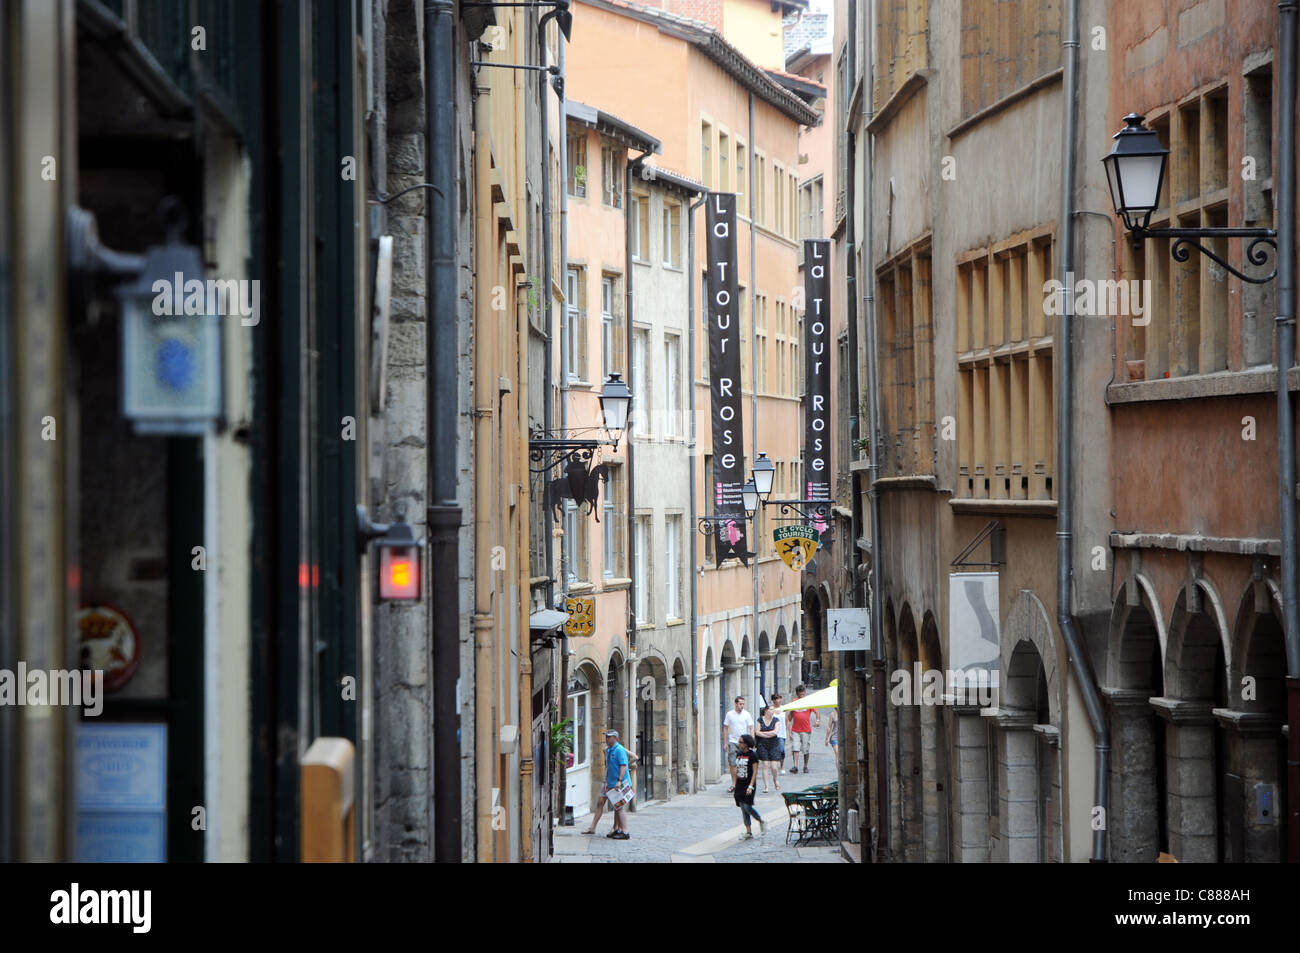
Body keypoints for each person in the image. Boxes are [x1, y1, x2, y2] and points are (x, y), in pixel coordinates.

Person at [582, 729, 631, 839]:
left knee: (619, 807)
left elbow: (623, 766)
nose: (606, 739)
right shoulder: (608, 750)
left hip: (620, 783)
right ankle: (618, 829)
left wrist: (619, 780)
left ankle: (624, 831)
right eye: (606, 737)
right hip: (611, 783)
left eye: (609, 737)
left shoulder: (619, 750)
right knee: (616, 806)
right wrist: (606, 781)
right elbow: (608, 767)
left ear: (615, 738)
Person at [733, 734, 766, 839]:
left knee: (747, 806)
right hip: (739, 784)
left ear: (746, 744)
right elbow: (736, 769)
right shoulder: (738, 754)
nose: (739, 744)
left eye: (741, 742)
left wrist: (751, 786)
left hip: (748, 784)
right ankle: (748, 831)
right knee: (743, 808)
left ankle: (760, 821)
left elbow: (755, 771)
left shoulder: (753, 755)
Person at [722, 696, 755, 793]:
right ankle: (734, 784)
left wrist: (752, 740)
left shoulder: (746, 714)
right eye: (740, 704)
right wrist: (725, 742)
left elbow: (751, 727)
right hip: (733, 741)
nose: (742, 706)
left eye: (743, 704)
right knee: (732, 763)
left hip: (743, 743)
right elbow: (725, 728)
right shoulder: (729, 714)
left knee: (743, 764)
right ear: (736, 704)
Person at [788, 684, 820, 774]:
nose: (801, 696)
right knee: (795, 747)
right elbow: (790, 716)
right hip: (795, 730)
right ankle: (795, 766)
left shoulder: (808, 701)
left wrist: (817, 720)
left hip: (806, 730)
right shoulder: (794, 701)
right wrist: (789, 727)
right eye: (800, 694)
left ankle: (805, 766)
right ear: (797, 694)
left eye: (803, 694)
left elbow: (816, 711)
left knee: (805, 749)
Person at [754, 705, 781, 792]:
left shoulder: (776, 720)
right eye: (771, 709)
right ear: (766, 710)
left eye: (773, 709)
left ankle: (775, 779)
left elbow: (775, 732)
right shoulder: (760, 720)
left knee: (774, 767)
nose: (773, 711)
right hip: (762, 744)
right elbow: (757, 732)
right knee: (765, 764)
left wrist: (764, 733)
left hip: (774, 744)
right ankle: (766, 786)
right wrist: (769, 734)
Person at [770, 692, 788, 774]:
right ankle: (774, 766)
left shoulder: (783, 708)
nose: (778, 700)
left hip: (782, 732)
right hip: (773, 733)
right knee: (773, 750)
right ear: (773, 700)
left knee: (781, 750)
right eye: (776, 698)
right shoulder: (771, 709)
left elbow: (787, 720)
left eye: (779, 698)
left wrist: (789, 731)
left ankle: (782, 765)